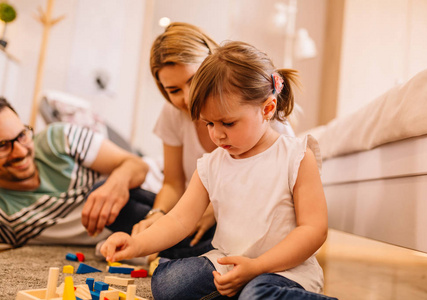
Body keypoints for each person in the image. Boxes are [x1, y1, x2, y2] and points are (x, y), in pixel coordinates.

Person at [101, 41, 337, 300]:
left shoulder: (298, 156)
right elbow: (179, 220)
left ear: (268, 108)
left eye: (228, 122)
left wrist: (257, 267)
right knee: (168, 285)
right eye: (209, 123)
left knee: (256, 294)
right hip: (227, 261)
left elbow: (314, 230)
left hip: (284, 270)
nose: (217, 134)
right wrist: (136, 244)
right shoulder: (211, 164)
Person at [131, 22, 295, 259]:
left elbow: (282, 205)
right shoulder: (172, 115)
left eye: (193, 80)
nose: (188, 98)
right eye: (174, 90)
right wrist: (157, 215)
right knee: (133, 205)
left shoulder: (265, 122)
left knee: (182, 262)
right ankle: (167, 246)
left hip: (244, 222)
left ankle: (177, 251)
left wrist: (216, 211)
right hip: (192, 211)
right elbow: (173, 184)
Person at [0, 97, 154, 247]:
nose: (20, 152)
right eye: (2, 146)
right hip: (124, 239)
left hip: (149, 200)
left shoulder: (59, 138)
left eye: (21, 135)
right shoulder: (4, 215)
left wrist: (115, 185)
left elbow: (138, 165)